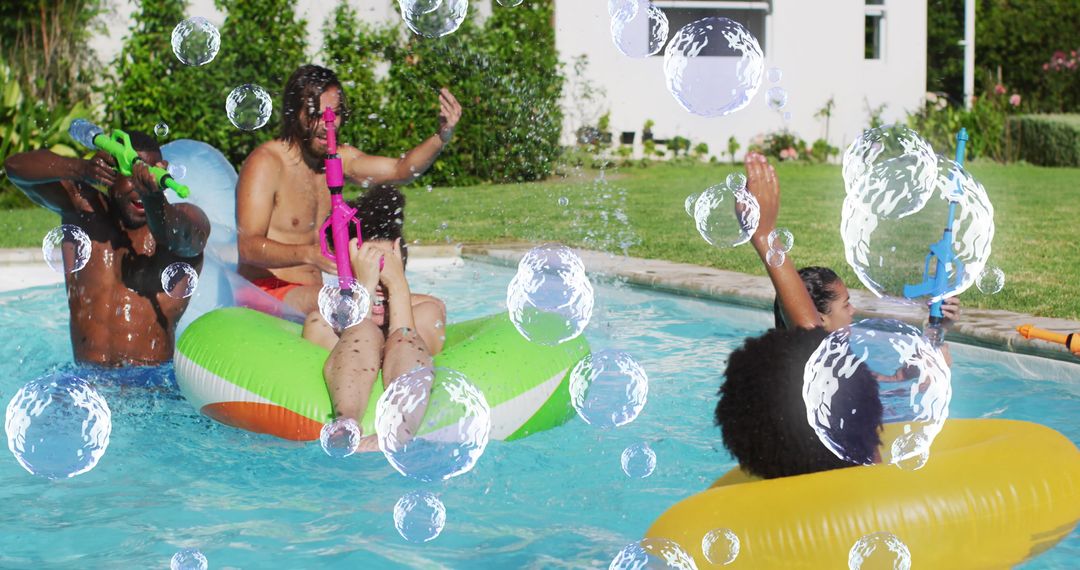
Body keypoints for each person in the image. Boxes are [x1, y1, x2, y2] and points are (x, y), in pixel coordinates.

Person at [235, 64, 456, 345]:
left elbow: (401, 170)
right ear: (295, 113)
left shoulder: (338, 159)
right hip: (268, 290)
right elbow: (247, 247)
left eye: (336, 113)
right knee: (344, 304)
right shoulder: (267, 162)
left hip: (315, 292)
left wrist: (442, 135)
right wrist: (310, 254)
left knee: (430, 307)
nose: (330, 123)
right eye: (316, 114)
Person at [4, 133, 210, 366]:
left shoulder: (187, 220)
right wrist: (79, 168)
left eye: (147, 176)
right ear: (110, 175)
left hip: (150, 388)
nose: (139, 188)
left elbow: (176, 236)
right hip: (87, 384)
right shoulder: (85, 213)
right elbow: (14, 169)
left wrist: (152, 197)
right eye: (131, 177)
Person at [303, 187, 433, 445]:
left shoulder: (427, 312)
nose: (379, 287)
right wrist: (362, 289)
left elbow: (411, 337)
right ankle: (345, 425)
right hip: (346, 404)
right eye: (371, 274)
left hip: (403, 349)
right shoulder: (325, 324)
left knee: (403, 336)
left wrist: (397, 287)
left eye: (388, 273)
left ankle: (400, 432)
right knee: (364, 330)